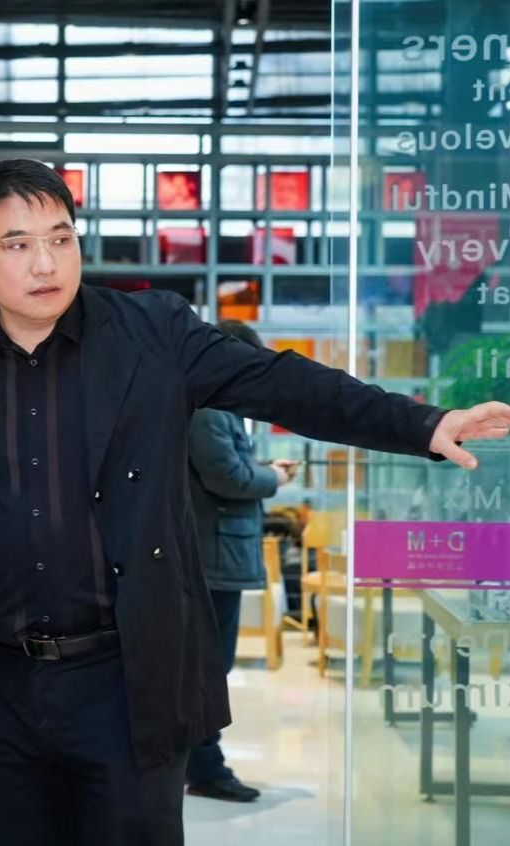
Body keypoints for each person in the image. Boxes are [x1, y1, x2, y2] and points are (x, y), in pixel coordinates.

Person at [0, 157, 510, 846]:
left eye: (61, 238)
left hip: (125, 680)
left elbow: (284, 385)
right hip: (0, 684)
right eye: (18, 244)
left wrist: (423, 423)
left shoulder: (151, 332)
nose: (45, 263)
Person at [185, 319, 298, 803]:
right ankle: (204, 766)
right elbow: (226, 478)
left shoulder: (213, 406)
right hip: (212, 556)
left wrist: (263, 471)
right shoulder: (209, 410)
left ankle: (197, 762)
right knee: (207, 668)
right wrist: (273, 477)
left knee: (205, 666)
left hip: (217, 553)